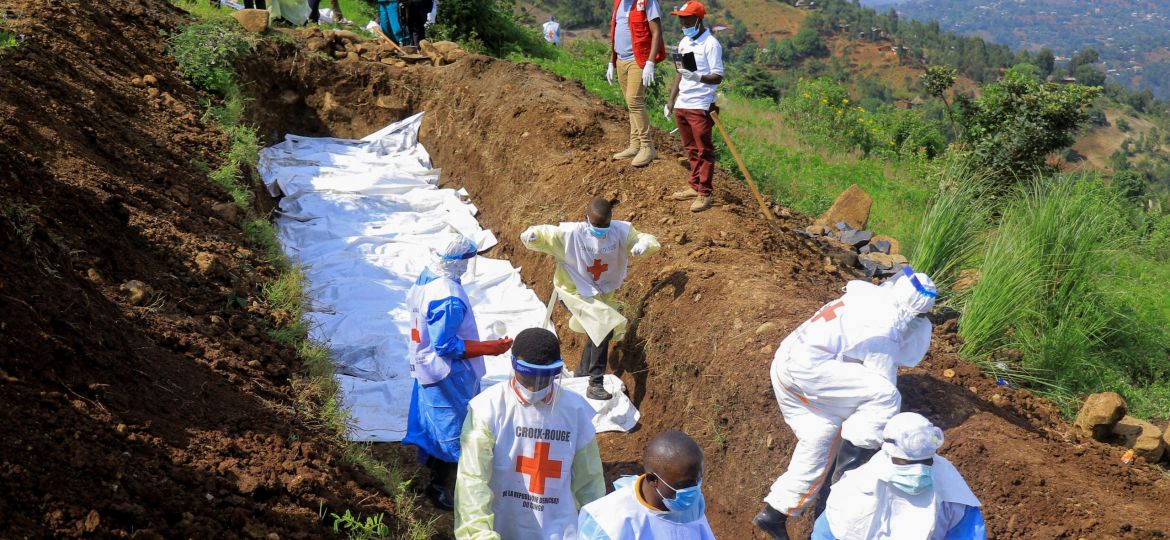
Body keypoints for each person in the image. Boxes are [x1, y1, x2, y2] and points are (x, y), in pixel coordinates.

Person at [754, 267, 939, 540]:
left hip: (786, 368)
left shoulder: (866, 296)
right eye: (920, 316)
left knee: (821, 434)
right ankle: (845, 480)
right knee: (886, 397)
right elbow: (882, 384)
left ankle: (776, 512)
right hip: (810, 373)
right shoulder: (885, 330)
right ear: (913, 311)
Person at [454, 327, 607, 539]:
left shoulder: (576, 411)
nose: (535, 387)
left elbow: (590, 482)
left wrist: (595, 530)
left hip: (560, 530)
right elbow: (472, 481)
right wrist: (478, 533)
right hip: (503, 526)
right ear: (514, 364)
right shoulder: (488, 409)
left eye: (544, 378)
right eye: (529, 377)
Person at [404, 234, 514, 511]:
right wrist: (490, 347)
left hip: (425, 365)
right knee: (452, 428)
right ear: (454, 263)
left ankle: (429, 472)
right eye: (465, 261)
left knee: (432, 423)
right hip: (446, 374)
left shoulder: (426, 278)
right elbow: (445, 345)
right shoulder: (449, 298)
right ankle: (441, 486)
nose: (467, 266)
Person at [519, 198, 660, 401]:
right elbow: (546, 234)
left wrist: (643, 245)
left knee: (599, 328)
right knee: (602, 325)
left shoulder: (619, 231)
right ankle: (595, 382)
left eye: (605, 226)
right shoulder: (572, 234)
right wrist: (532, 236)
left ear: (611, 220)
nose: (600, 231)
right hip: (573, 292)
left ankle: (583, 372)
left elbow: (641, 238)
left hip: (600, 294)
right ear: (586, 219)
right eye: (596, 226)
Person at [811, 412, 986, 539]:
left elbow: (970, 534)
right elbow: (825, 534)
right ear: (888, 454)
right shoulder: (856, 489)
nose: (917, 471)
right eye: (906, 463)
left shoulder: (952, 492)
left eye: (926, 463)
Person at [578, 430, 716, 539]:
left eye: (697, 480)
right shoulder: (609, 524)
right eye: (683, 484)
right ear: (652, 480)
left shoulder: (692, 508)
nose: (693, 491)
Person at [663, 1, 723, 213]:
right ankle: (695, 185)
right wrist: (671, 100)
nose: (683, 22)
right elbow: (680, 72)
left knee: (703, 149)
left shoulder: (711, 45)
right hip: (683, 103)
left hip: (700, 104)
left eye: (686, 19)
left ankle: (705, 193)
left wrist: (698, 76)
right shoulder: (684, 42)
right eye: (680, 18)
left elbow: (718, 76)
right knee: (690, 148)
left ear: (698, 19)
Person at [606, 0, 666, 168]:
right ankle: (635, 144)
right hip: (621, 60)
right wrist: (612, 61)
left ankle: (647, 146)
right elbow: (615, 32)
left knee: (634, 100)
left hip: (638, 59)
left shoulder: (647, 2)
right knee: (629, 102)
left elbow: (656, 32)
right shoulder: (619, 3)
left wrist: (651, 62)